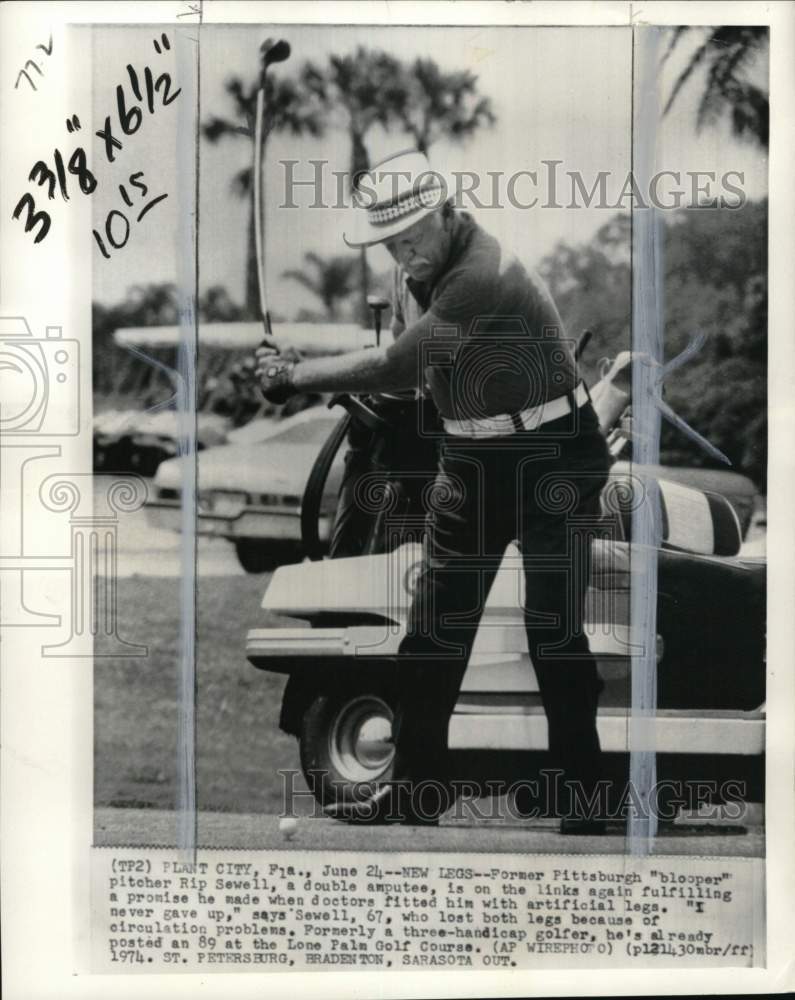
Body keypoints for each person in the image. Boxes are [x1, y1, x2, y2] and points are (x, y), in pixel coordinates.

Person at [256, 150, 612, 832]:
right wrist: (311, 378)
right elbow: (408, 375)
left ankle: (584, 794)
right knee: (431, 632)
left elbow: (399, 359)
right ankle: (418, 788)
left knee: (551, 625)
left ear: (448, 214)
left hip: (554, 455)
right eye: (390, 243)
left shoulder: (485, 273)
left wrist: (295, 375)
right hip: (469, 456)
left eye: (414, 236)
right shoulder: (409, 274)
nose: (404, 253)